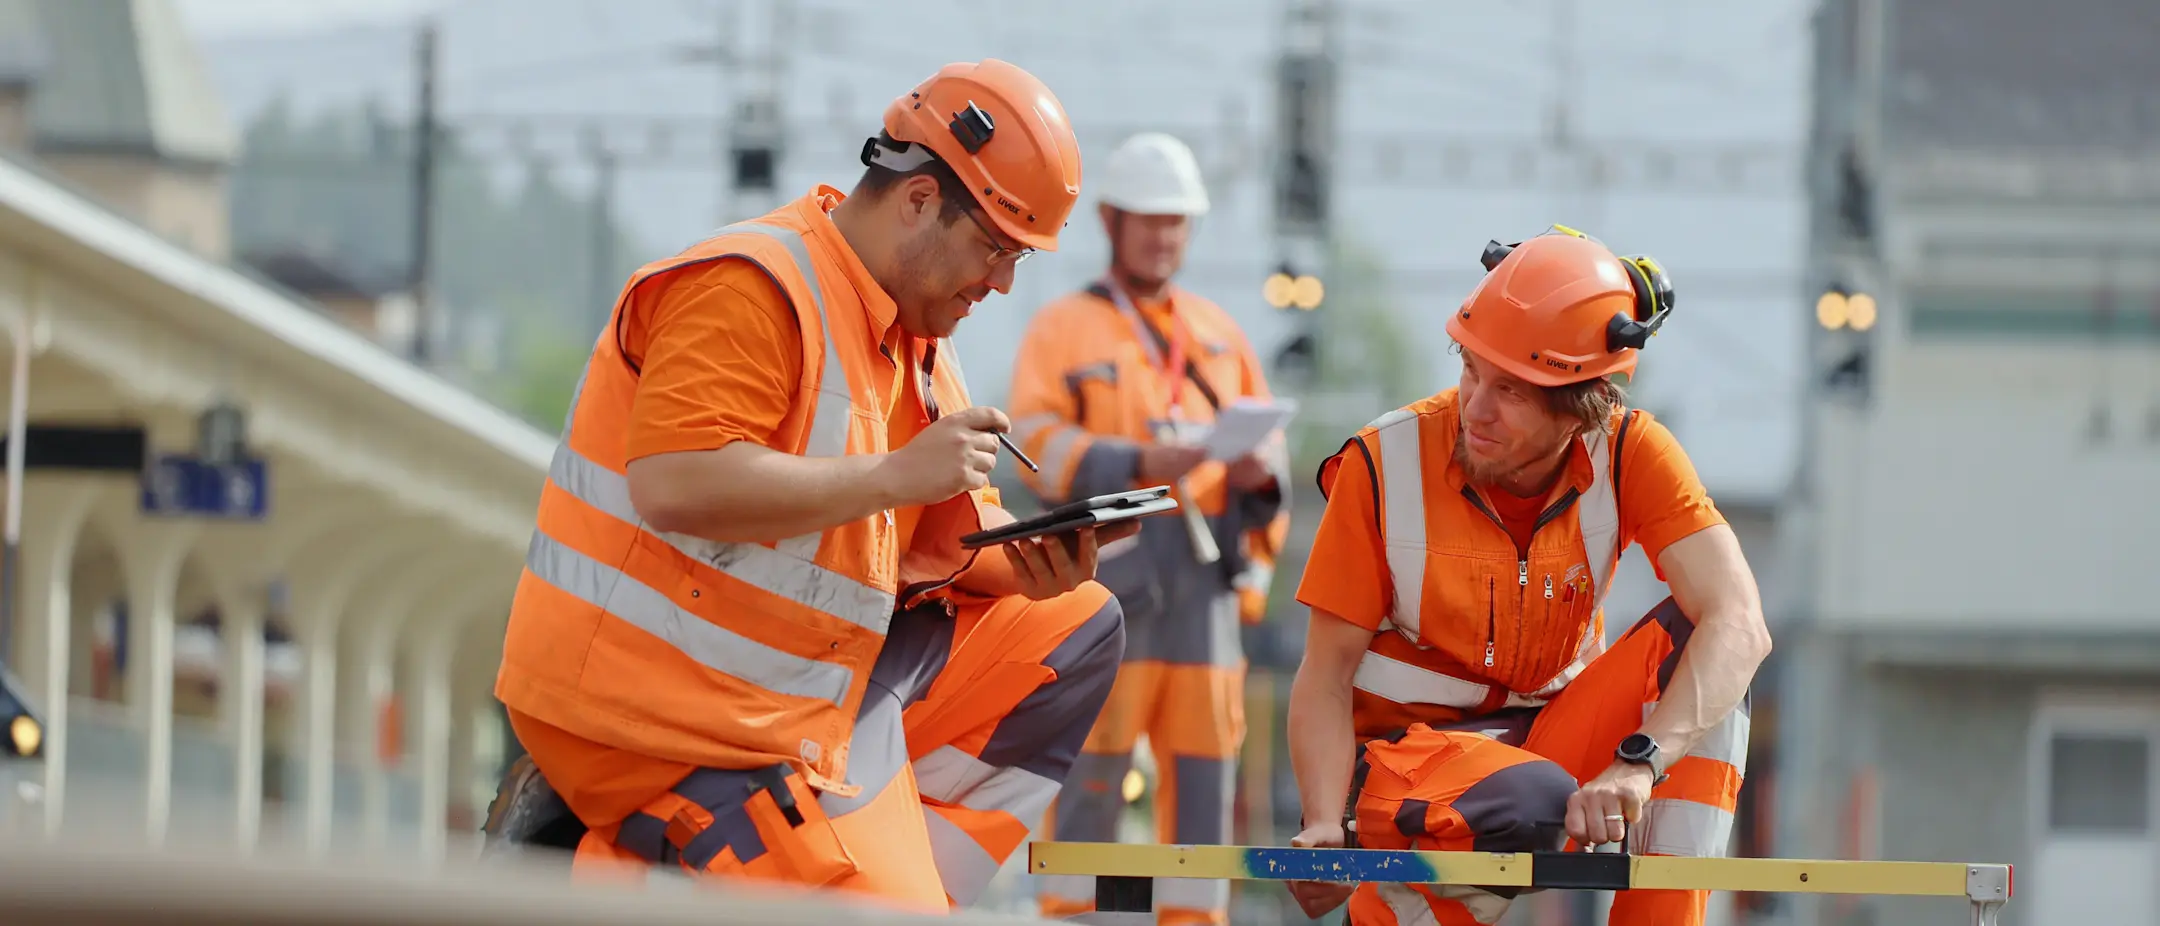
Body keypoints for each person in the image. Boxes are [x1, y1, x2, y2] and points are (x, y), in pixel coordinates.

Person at [484, 59, 1137, 914]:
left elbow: (921, 538)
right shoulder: (751, 284)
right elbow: (673, 483)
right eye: (997, 249)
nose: (1004, 281)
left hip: (792, 703)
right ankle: (588, 856)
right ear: (919, 201)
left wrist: (1024, 565)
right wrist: (897, 475)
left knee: (1075, 627)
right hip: (660, 719)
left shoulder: (915, 335)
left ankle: (885, 874)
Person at [1283, 226, 1772, 926]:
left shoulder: (1632, 451)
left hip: (1546, 759)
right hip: (1411, 766)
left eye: (1511, 390)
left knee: (1710, 650)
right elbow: (1324, 675)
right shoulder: (1382, 464)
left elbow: (1741, 624)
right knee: (1529, 802)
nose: (1475, 409)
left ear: (1582, 404)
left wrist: (1639, 764)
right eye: (1471, 370)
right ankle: (1388, 905)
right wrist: (1324, 824)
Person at [1009, 131, 1290, 926]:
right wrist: (1138, 461)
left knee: (1205, 783)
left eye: (1176, 221)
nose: (1164, 236)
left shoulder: (1220, 335)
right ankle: (1078, 917)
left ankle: (1193, 921)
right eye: (1150, 219)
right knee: (1092, 774)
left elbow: (1272, 461)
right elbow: (1032, 445)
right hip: (1106, 592)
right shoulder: (1063, 328)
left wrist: (1259, 479)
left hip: (1204, 600)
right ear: (1110, 220)